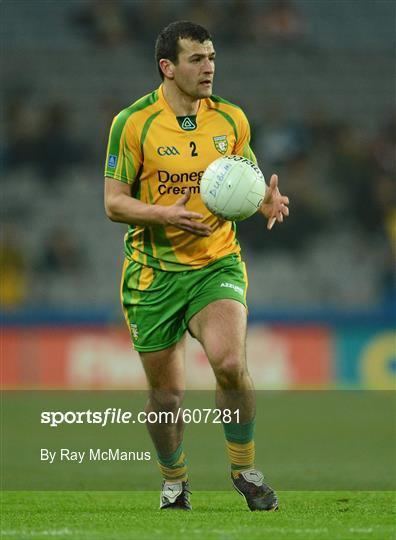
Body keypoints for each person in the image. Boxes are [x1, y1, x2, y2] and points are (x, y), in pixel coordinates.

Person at [104, 21, 289, 511]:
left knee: (230, 363)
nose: (209, 67)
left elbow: (241, 182)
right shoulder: (133, 123)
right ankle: (174, 480)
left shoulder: (230, 119)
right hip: (153, 275)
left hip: (216, 264)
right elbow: (113, 203)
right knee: (167, 397)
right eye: (196, 59)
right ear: (167, 67)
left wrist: (265, 203)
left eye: (211, 57)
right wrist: (164, 213)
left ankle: (245, 470)